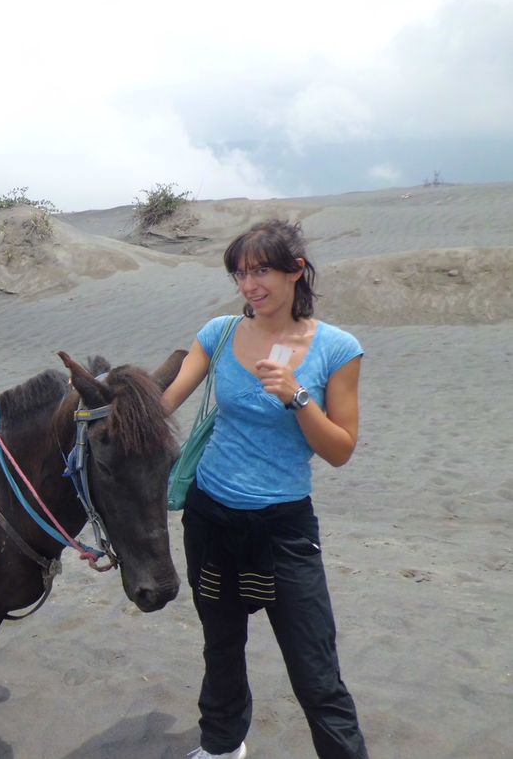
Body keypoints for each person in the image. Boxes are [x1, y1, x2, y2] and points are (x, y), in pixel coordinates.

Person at [161, 219, 368, 759]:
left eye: (262, 271)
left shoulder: (337, 349)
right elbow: (164, 403)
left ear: (296, 271)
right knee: (222, 645)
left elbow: (341, 450)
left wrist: (299, 398)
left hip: (282, 528)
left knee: (314, 669)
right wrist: (108, 400)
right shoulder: (220, 332)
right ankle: (223, 744)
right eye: (240, 273)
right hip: (210, 518)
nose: (250, 285)